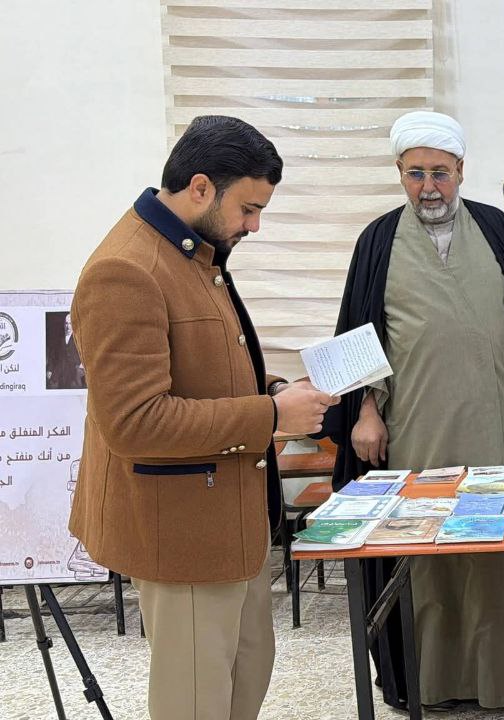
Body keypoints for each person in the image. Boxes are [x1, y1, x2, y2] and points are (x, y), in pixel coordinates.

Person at [68, 115, 337, 719]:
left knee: (246, 672)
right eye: (248, 209)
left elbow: (205, 366)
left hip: (231, 520)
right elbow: (135, 422)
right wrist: (272, 413)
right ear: (199, 188)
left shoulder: (187, 253)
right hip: (182, 530)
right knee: (195, 700)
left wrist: (275, 389)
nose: (254, 225)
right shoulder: (126, 269)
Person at [324, 110, 504, 712]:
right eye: (415, 173)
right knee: (428, 548)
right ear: (399, 172)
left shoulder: (498, 229)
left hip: (503, 422)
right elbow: (361, 334)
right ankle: (434, 681)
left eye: (439, 172)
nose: (428, 186)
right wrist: (366, 411)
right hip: (416, 427)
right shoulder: (377, 241)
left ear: (461, 170)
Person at [47, 313, 86, 389]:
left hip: (74, 372)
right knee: (52, 385)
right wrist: (50, 369)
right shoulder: (58, 339)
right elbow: (53, 356)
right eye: (66, 323)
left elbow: (86, 353)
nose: (68, 326)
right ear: (64, 325)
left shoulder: (79, 338)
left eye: (70, 324)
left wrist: (82, 364)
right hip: (59, 371)